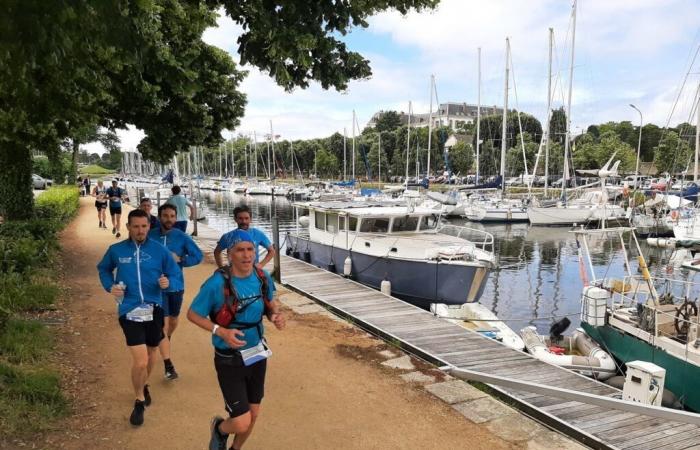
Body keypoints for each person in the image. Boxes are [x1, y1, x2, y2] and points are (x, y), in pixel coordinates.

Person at [187, 229, 285, 450]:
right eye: (240, 250)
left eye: (250, 249)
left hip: (257, 353)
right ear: (230, 254)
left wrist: (276, 316)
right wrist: (220, 331)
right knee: (241, 422)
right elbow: (193, 314)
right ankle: (220, 428)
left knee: (254, 414)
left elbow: (271, 304)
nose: (247, 255)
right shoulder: (216, 284)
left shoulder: (262, 277)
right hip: (229, 357)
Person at [97, 209, 181, 426]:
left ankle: (143, 384)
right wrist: (110, 286)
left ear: (148, 227)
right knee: (141, 360)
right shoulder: (116, 250)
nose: (140, 230)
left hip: (154, 309)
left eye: (144, 226)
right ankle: (139, 399)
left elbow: (173, 272)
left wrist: (167, 282)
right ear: (128, 227)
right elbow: (104, 269)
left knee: (152, 353)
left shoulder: (159, 250)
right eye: (135, 226)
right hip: (129, 310)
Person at [148, 203, 203, 380]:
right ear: (159, 216)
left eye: (172, 216)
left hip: (176, 286)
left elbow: (198, 256)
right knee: (162, 324)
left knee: (173, 320)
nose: (169, 219)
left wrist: (181, 259)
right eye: (166, 216)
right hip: (156, 287)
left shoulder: (181, 237)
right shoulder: (150, 235)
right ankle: (168, 365)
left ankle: (167, 337)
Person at [214, 205, 275, 270]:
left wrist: (261, 264)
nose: (244, 221)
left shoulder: (257, 234)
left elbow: (271, 251)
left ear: (250, 219)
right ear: (235, 219)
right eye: (240, 218)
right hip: (234, 273)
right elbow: (217, 252)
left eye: (246, 218)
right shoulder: (227, 236)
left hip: (253, 272)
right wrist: (221, 267)